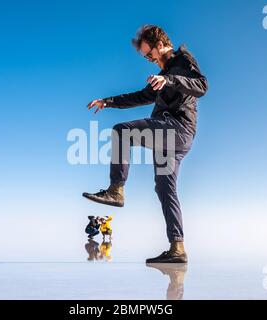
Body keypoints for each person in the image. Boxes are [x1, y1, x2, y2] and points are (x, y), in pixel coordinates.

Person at [82, 25, 208, 263]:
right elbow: (141, 96)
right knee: (165, 189)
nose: (149, 60)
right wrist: (107, 102)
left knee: (122, 132)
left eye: (150, 54)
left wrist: (168, 79)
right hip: (169, 138)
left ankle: (115, 190)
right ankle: (177, 248)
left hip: (177, 130)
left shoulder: (182, 60)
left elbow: (202, 86)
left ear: (160, 45)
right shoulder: (162, 74)